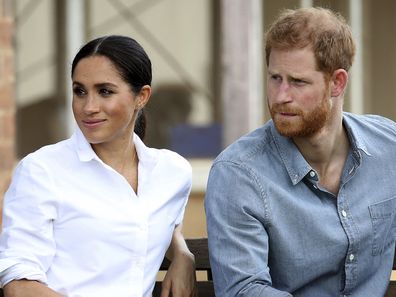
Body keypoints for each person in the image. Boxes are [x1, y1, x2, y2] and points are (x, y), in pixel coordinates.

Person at [205, 7, 396, 297]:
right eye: (274, 78)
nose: (281, 96)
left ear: (337, 82)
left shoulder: (389, 148)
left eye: (298, 81)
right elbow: (243, 291)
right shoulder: (238, 173)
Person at [0, 35, 196, 297]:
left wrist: (183, 254)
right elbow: (18, 285)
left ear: (142, 97)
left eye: (105, 91)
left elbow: (157, 222)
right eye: (80, 91)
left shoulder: (173, 172)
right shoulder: (41, 171)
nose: (88, 107)